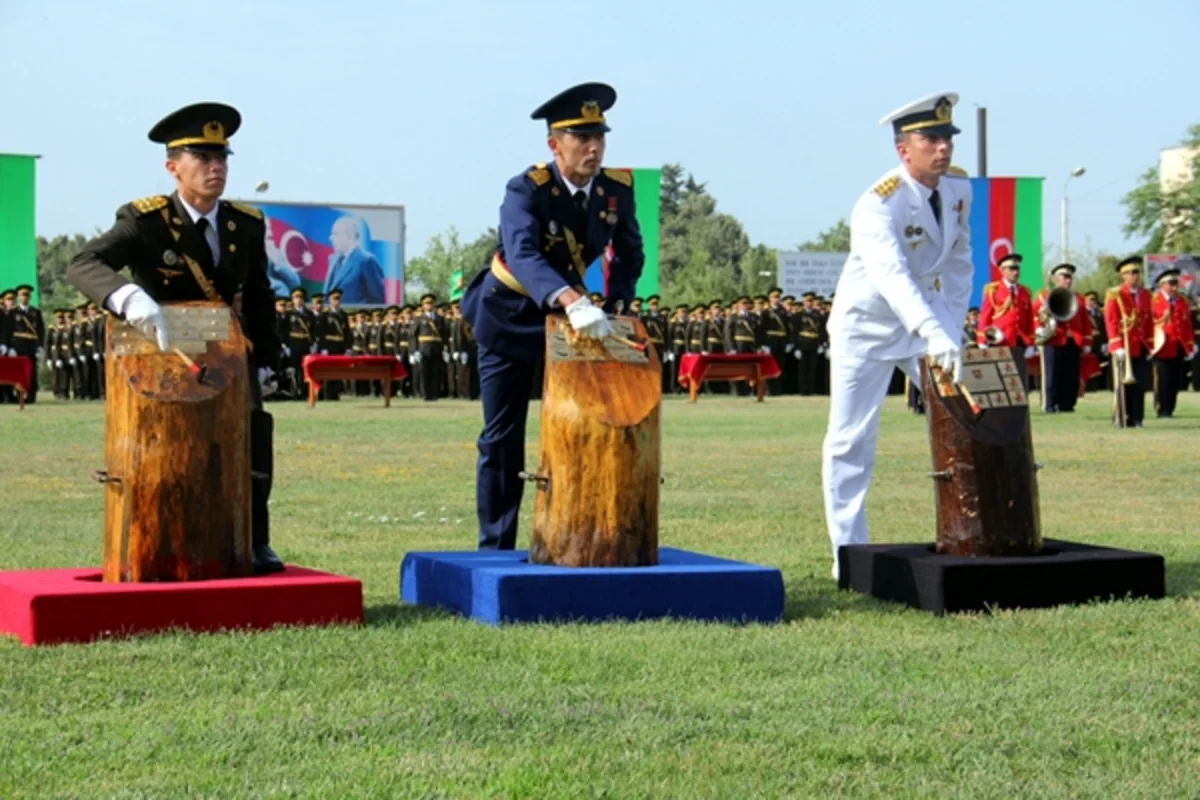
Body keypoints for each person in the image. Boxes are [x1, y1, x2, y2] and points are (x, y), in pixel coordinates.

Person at [66, 101, 284, 573]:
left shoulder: (245, 224)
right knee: (169, 449)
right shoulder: (146, 220)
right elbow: (83, 264)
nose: (216, 167)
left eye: (221, 157)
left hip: (228, 356)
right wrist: (127, 297)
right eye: (202, 158)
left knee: (251, 440)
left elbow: (260, 295)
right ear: (172, 167)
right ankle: (162, 538)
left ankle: (254, 539)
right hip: (164, 358)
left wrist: (268, 358)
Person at [460, 81, 643, 550]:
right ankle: (496, 546)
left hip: (571, 323)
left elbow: (629, 253)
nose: (593, 147)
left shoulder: (617, 191)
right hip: (509, 317)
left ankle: (575, 537)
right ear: (554, 145)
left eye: (599, 136)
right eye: (581, 137)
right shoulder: (526, 189)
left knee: (582, 427)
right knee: (502, 437)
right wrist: (571, 299)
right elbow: (522, 253)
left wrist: (617, 304)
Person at [821, 92, 973, 580]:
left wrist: (952, 330)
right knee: (850, 439)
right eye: (931, 139)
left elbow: (959, 263)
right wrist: (933, 329)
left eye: (948, 138)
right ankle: (848, 554)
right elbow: (891, 276)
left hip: (925, 317)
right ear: (903, 149)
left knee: (970, 417)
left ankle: (975, 531)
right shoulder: (877, 203)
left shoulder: (957, 189)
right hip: (865, 326)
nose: (943, 148)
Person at [1034, 263, 1091, 413]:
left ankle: (1067, 405)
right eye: (1064, 277)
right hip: (1053, 339)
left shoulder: (1079, 298)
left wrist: (1087, 341)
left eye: (1070, 277)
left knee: (1071, 376)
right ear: (1055, 279)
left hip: (1073, 341)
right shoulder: (1044, 296)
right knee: (1052, 375)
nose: (1068, 280)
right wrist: (1038, 327)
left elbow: (1085, 321)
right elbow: (1034, 315)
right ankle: (1050, 404)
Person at [1104, 255, 1153, 428]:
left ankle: (1137, 418)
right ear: (1123, 275)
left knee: (1140, 384)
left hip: (1140, 346)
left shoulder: (1146, 295)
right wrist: (1116, 345)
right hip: (1123, 346)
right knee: (1122, 385)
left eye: (1137, 272)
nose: (1135, 276)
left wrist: (1150, 345)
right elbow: (1111, 321)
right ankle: (1121, 416)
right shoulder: (1114, 294)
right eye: (1130, 272)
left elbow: (1148, 322)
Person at [1149, 267, 1195, 417]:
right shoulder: (1153, 301)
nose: (1175, 287)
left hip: (1178, 346)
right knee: (1162, 380)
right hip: (1162, 346)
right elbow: (1148, 323)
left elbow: (1187, 325)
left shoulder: (1182, 301)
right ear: (1162, 284)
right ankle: (1161, 409)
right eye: (1171, 283)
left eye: (1176, 283)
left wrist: (1190, 346)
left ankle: (1170, 409)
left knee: (1175, 380)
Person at [978, 254, 1035, 357]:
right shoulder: (993, 289)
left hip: (1020, 341)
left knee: (1020, 367)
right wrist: (982, 340)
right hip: (1000, 341)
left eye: (1017, 268)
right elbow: (985, 317)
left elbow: (1029, 319)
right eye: (1012, 269)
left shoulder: (1025, 291)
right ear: (1002, 270)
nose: (1016, 272)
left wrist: (1031, 343)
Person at [323, 216, 385, 304]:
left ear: (350, 236)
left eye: (335, 234)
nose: (331, 238)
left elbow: (376, 299)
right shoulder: (333, 259)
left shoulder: (367, 261)